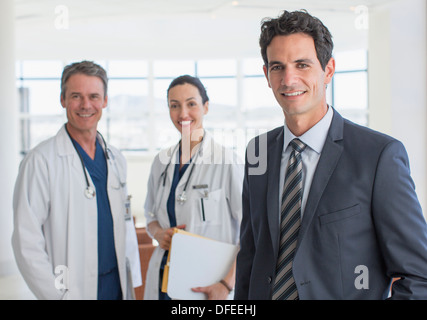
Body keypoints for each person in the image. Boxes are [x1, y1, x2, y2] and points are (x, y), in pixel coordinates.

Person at [235, 10, 427, 300]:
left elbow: (419, 275)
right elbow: (250, 257)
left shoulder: (378, 156)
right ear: (267, 75)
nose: (289, 79)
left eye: (302, 64)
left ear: (328, 70)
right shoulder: (257, 151)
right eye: (277, 67)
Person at [12, 60, 142, 300]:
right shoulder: (41, 161)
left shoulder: (115, 159)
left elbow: (124, 225)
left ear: (104, 101)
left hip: (116, 286)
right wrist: (56, 295)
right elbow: (26, 241)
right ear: (63, 100)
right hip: (72, 292)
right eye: (76, 96)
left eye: (94, 96)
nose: (86, 105)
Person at [143, 75, 243, 300]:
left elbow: (252, 232)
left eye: (191, 104)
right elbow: (149, 215)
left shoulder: (227, 162)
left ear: (206, 107)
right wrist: (159, 233)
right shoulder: (161, 162)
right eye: (174, 106)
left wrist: (227, 284)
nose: (183, 114)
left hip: (207, 285)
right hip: (163, 280)